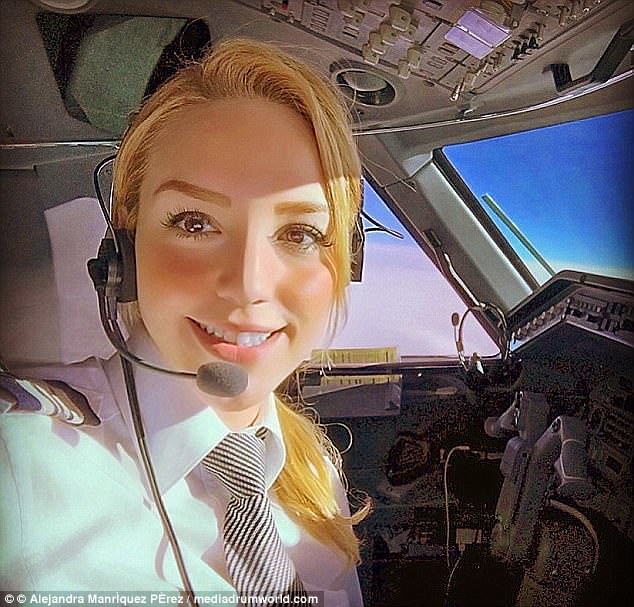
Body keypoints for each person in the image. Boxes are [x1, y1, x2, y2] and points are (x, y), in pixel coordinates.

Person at [0, 38, 369, 604]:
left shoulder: (315, 470)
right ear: (124, 248)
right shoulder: (19, 459)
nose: (248, 285)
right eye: (195, 223)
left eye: (299, 233)